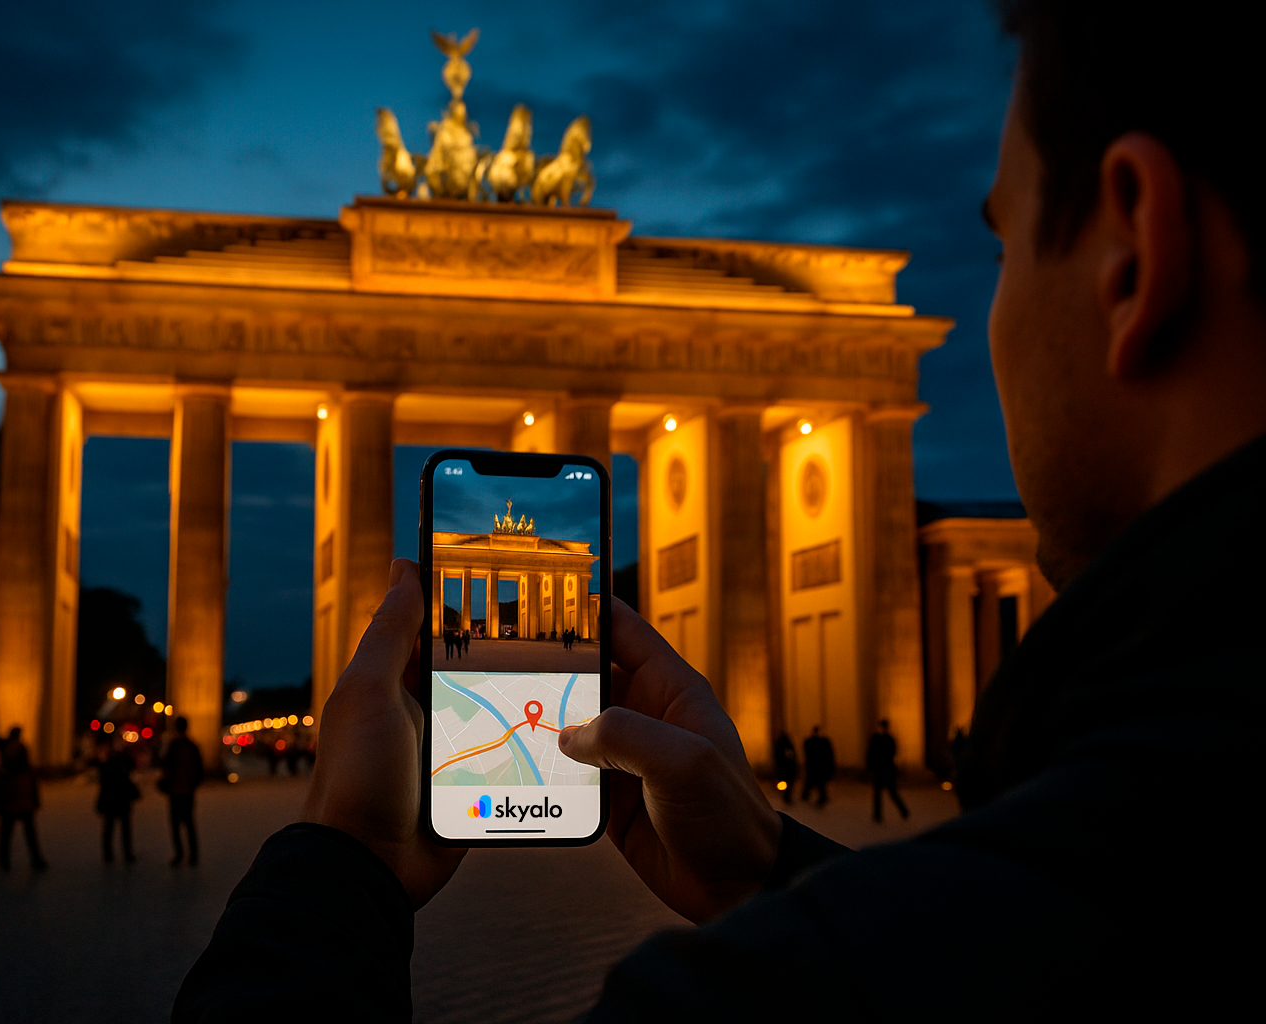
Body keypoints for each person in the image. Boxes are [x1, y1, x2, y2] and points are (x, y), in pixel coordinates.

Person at [174, 3, 1263, 1016]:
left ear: (1133, 250)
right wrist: (772, 869)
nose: (991, 308)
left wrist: (336, 869)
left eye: (1002, 244)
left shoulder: (769, 990)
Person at [0, 726, 47, 872]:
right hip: (23, 800)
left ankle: (4, 860)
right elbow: (31, 784)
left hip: (12, 800)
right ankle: (36, 859)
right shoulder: (21, 754)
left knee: (7, 832)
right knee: (29, 832)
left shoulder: (7, 753)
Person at [160, 716, 203, 867]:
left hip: (175, 790)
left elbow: (165, 765)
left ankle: (179, 854)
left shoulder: (173, 746)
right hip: (188, 790)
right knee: (189, 823)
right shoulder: (192, 746)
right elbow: (199, 767)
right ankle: (193, 855)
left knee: (175, 825)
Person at [96, 736, 139, 863]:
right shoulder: (110, 758)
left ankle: (124, 853)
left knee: (120, 827)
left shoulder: (121, 758)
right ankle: (111, 853)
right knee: (112, 827)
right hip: (114, 796)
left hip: (119, 796)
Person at [866, 719, 909, 822]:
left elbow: (892, 752)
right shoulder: (876, 738)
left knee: (892, 792)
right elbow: (870, 753)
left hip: (886, 769)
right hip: (880, 769)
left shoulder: (888, 739)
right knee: (878, 794)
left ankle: (903, 811)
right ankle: (877, 815)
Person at [800, 725, 834, 806]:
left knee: (817, 783)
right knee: (815, 782)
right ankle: (808, 796)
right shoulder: (820, 742)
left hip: (817, 766)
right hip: (817, 766)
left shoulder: (815, 741)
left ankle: (815, 796)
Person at [772, 730, 799, 805]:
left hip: (784, 768)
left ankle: (787, 797)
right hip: (787, 768)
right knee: (788, 783)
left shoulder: (781, 744)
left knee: (787, 783)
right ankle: (787, 797)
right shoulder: (787, 744)